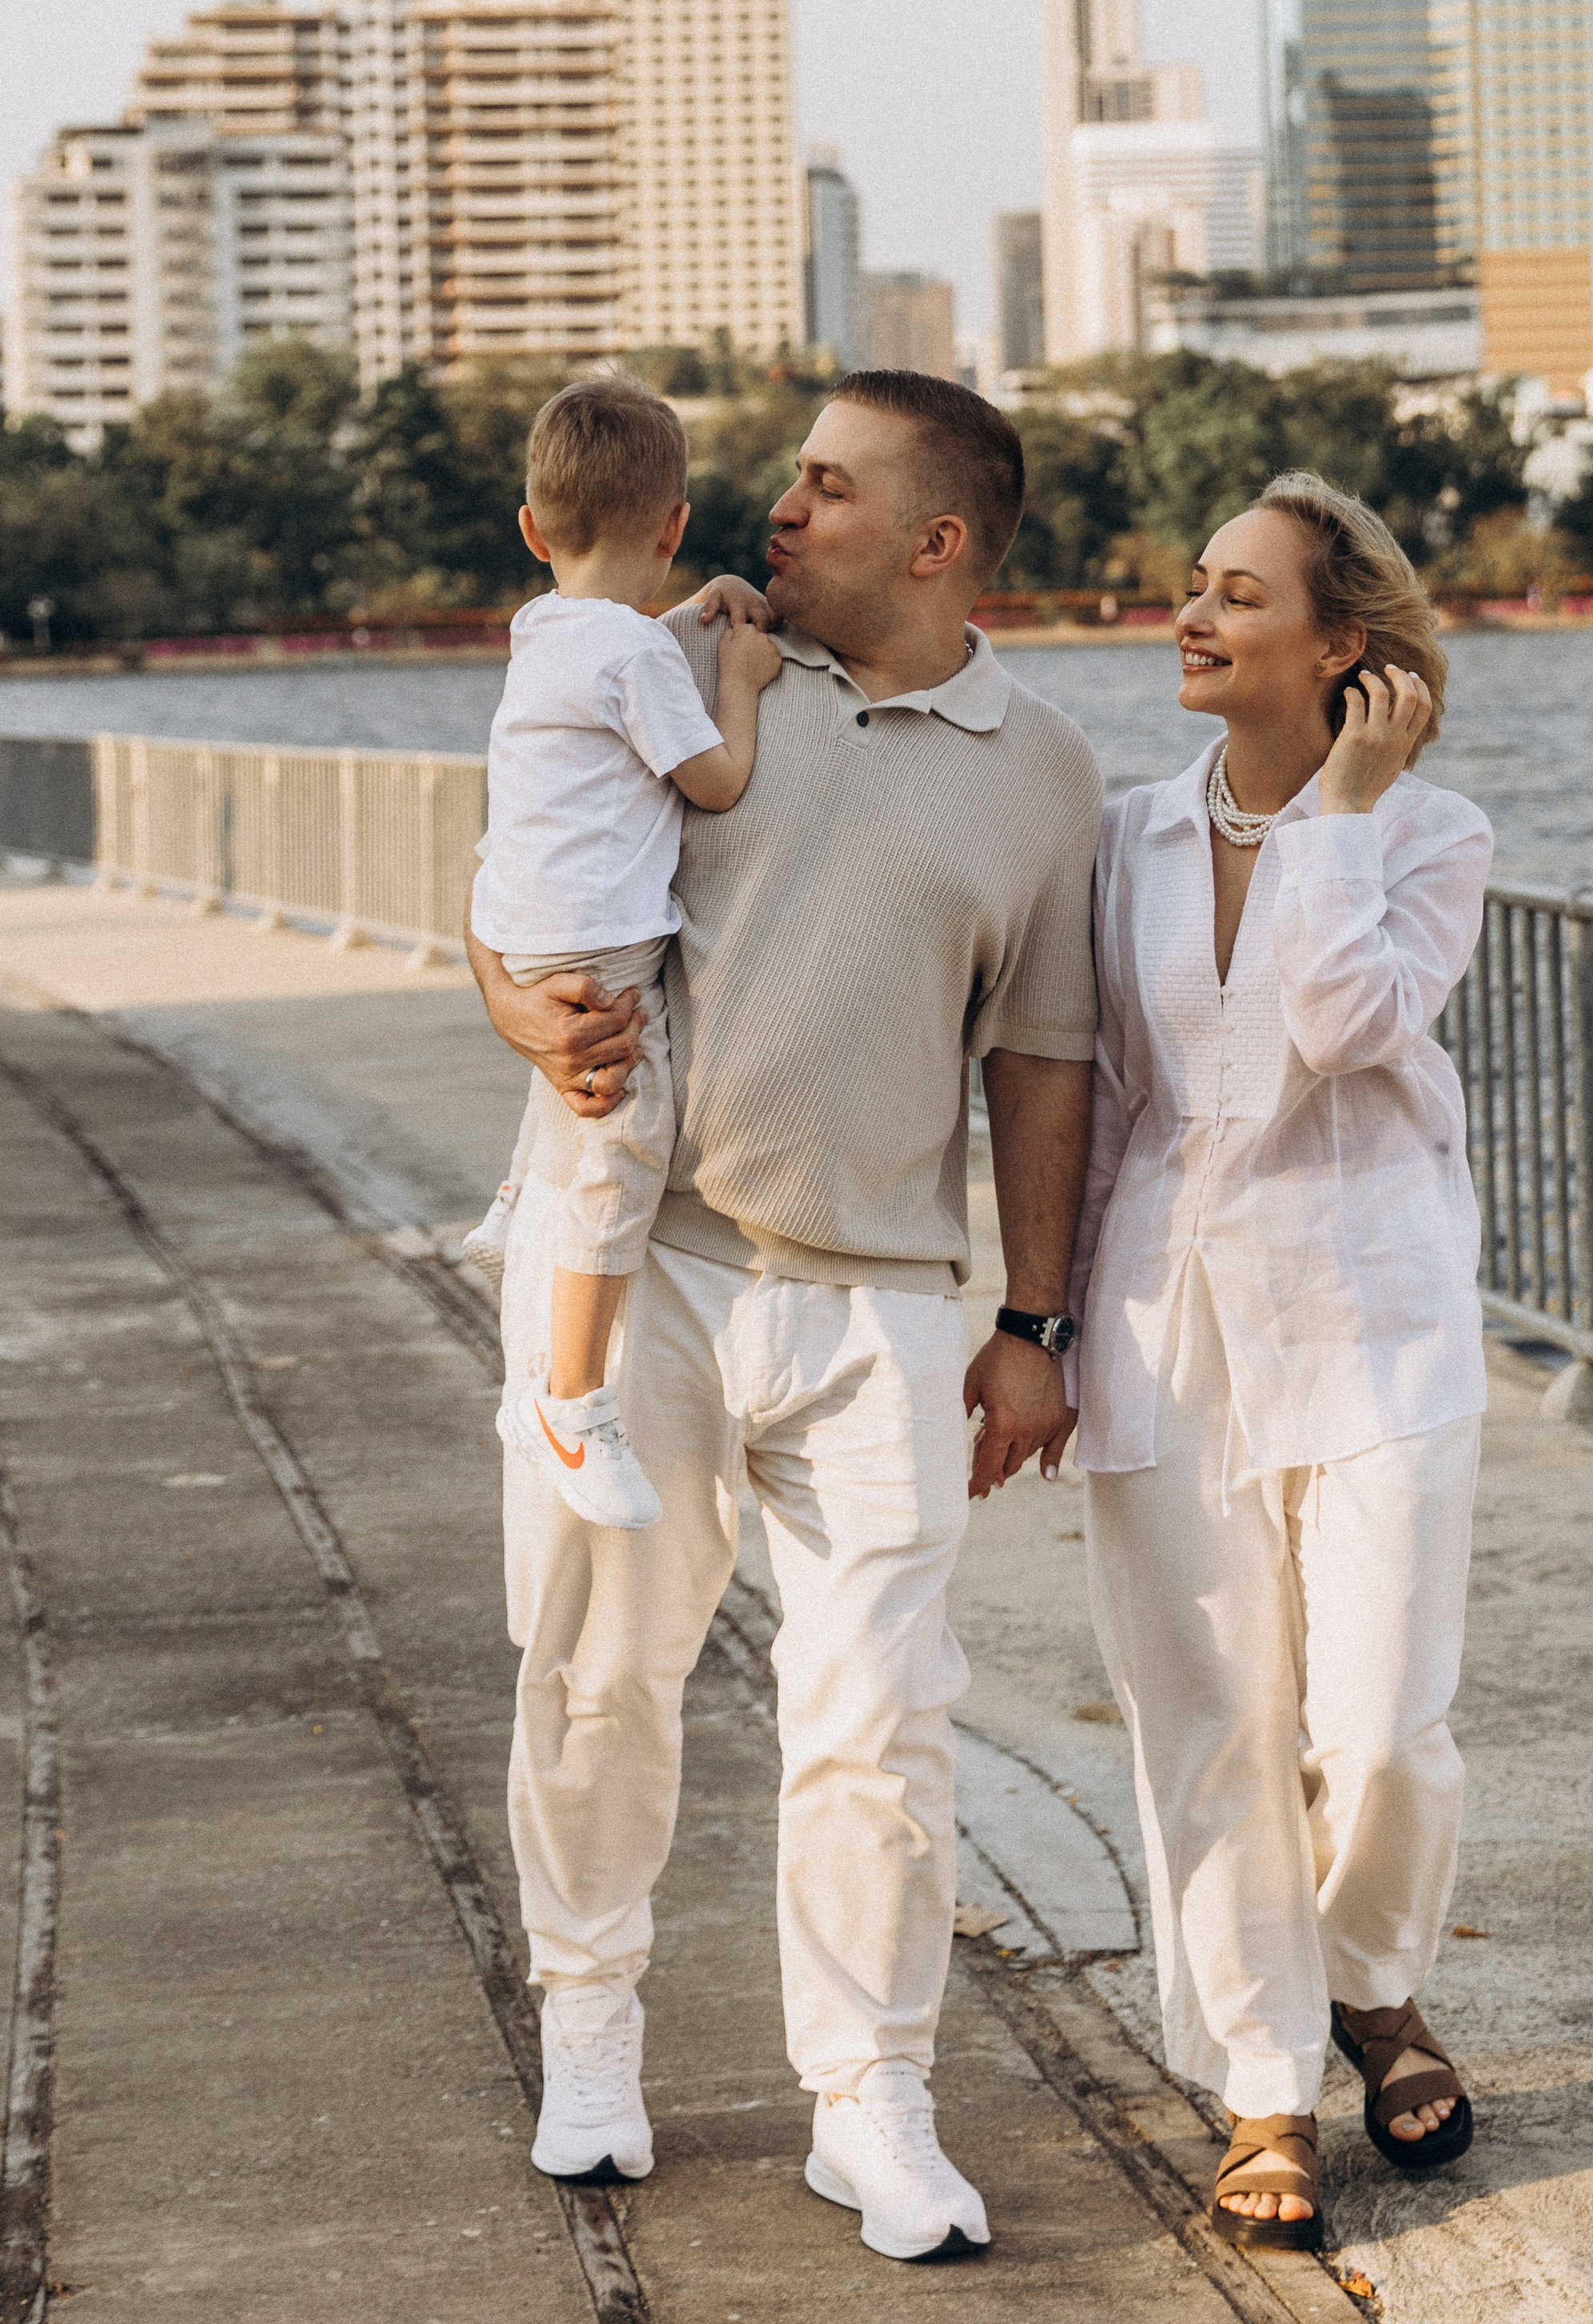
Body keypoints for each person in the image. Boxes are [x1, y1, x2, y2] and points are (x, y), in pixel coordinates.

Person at [466, 369, 1099, 2262]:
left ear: (938, 541)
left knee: (879, 1721)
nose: (777, 508)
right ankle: (591, 2039)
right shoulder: (666, 652)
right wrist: (513, 1009)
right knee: (591, 1678)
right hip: (635, 1266)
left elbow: (1046, 1065)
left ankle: (870, 2099)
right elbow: (524, 875)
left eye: (825, 487)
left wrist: (1036, 1322)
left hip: (882, 1305)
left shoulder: (1046, 771)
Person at [1069, 470, 1492, 2254]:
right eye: (1193, 583)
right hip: (1168, 1327)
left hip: (1374, 1320)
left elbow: (1340, 1026)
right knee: (1214, 1728)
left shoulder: (1426, 833)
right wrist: (1038, 1332)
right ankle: (1266, 2081)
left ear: (1341, 646)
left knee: (1381, 1726)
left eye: (1237, 596)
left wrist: (1339, 807)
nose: (1191, 615)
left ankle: (1373, 1980)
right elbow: (1097, 1107)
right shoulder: (1119, 842)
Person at [464, 380, 783, 1528]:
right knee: (628, 1137)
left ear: (534, 531)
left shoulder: (543, 630)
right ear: (677, 523)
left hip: (524, 913)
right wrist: (737, 683)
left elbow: (625, 643)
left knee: (571, 1080)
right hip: (604, 928)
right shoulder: (638, 658)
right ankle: (569, 1397)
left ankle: (515, 1201)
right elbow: (717, 780)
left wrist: (696, 608)